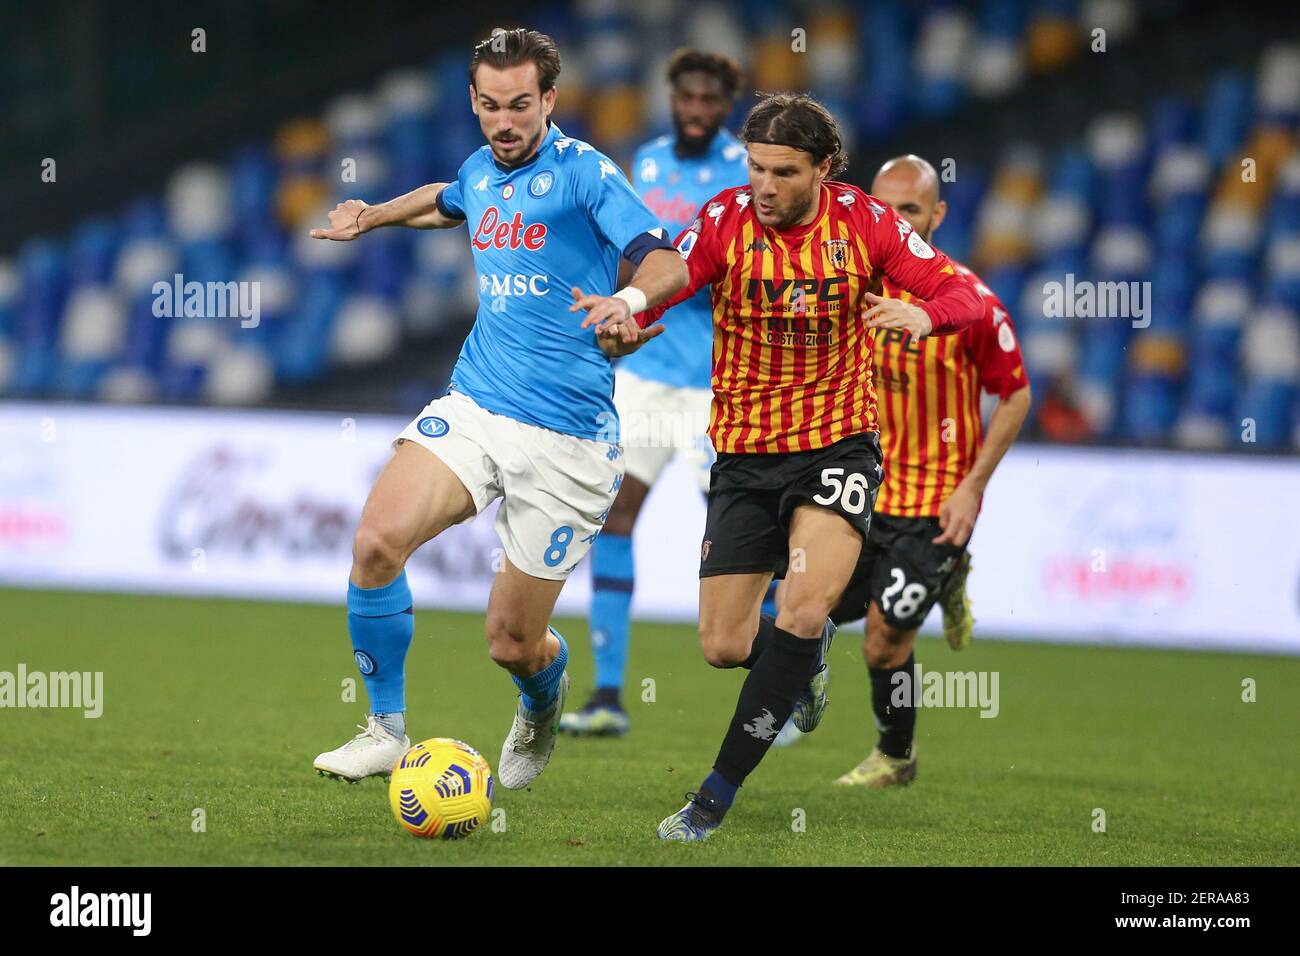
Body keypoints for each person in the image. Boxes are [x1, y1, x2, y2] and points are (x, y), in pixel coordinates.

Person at [583, 94, 984, 840]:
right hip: (742, 453)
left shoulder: (865, 223)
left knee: (800, 609)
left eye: (784, 172)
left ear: (823, 169)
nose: (765, 185)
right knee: (723, 646)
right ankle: (802, 662)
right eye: (756, 167)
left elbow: (960, 292)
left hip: (837, 445)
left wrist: (926, 314)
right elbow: (676, 270)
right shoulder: (727, 218)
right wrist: (629, 309)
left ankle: (711, 799)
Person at [307, 28, 687, 789]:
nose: (505, 122)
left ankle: (542, 698)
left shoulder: (586, 174)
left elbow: (667, 259)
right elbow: (448, 202)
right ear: (474, 104)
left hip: (570, 438)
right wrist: (373, 215)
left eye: (521, 105)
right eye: (490, 106)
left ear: (549, 99)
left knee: (513, 642)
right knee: (377, 542)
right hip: (478, 402)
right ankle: (385, 727)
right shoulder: (482, 170)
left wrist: (626, 298)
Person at [827, 154, 1031, 788]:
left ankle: (895, 757)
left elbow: (1016, 394)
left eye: (910, 211)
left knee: (883, 641)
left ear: (937, 216)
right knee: (803, 605)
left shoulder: (971, 304)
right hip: (860, 485)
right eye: (884, 209)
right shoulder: (851, 286)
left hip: (934, 501)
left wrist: (972, 488)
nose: (896, 223)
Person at [561, 48, 748, 737]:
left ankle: (776, 687)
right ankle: (608, 695)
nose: (696, 109)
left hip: (718, 382)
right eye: (687, 98)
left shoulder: (746, 171)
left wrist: (682, 274)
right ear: (671, 97)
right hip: (644, 372)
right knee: (613, 518)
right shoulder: (643, 163)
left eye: (710, 100)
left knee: (739, 535)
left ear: (727, 105)